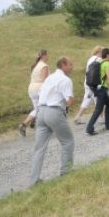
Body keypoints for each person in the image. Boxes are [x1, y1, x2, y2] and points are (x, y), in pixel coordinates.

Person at [30, 57, 75, 185]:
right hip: (54, 111)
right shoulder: (65, 80)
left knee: (39, 148)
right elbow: (70, 101)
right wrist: (69, 102)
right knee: (68, 141)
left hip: (41, 111)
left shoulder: (49, 77)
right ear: (63, 65)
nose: (72, 67)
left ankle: (34, 180)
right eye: (70, 64)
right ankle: (66, 171)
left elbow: (40, 93)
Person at [86, 48, 109, 136]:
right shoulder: (107, 64)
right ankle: (89, 128)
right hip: (102, 89)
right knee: (99, 109)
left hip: (98, 88)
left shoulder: (100, 62)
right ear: (107, 55)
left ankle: (108, 125)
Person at [19, 50, 49, 137]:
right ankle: (40, 126)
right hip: (39, 89)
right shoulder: (44, 66)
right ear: (44, 56)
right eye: (47, 55)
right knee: (44, 108)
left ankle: (25, 124)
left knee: (37, 109)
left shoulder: (35, 65)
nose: (48, 57)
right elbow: (44, 80)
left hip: (32, 88)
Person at [74, 46, 103, 125]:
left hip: (87, 82)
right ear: (99, 52)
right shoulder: (99, 60)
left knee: (87, 99)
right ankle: (101, 118)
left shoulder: (90, 59)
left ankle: (78, 116)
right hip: (96, 83)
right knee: (99, 99)